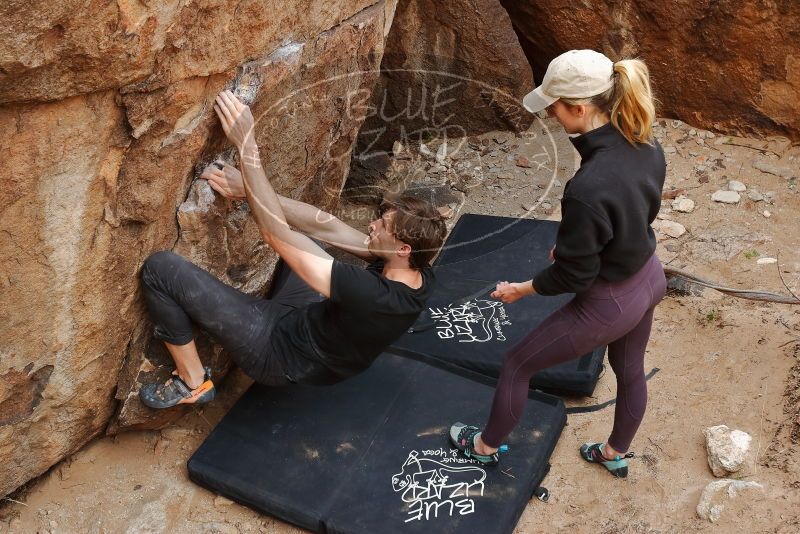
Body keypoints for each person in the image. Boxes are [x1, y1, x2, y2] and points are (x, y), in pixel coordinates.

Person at [139, 90, 446, 408]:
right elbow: (326, 225)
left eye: (383, 227)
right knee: (308, 244)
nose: (372, 225)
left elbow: (275, 235)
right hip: (312, 323)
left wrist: (247, 147)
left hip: (279, 355)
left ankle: (192, 382)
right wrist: (247, 190)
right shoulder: (417, 269)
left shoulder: (372, 293)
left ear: (403, 249)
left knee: (161, 269)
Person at [449, 50, 667, 478]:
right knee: (630, 370)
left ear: (580, 109)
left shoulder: (586, 188)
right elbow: (635, 212)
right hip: (649, 275)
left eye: (554, 106)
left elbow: (574, 276)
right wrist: (582, 245)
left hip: (608, 302)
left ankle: (483, 447)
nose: (550, 113)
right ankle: (613, 452)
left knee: (517, 364)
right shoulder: (645, 141)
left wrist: (522, 288)